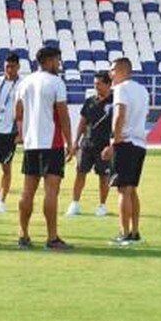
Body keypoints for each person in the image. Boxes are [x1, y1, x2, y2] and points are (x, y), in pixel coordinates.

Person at [14, 46, 73, 250]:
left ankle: (23, 234)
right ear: (49, 60)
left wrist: (22, 133)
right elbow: (63, 115)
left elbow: (18, 112)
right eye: (57, 60)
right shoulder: (56, 82)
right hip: (52, 142)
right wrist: (70, 141)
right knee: (51, 192)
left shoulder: (25, 82)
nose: (59, 64)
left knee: (27, 191)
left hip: (31, 143)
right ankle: (52, 237)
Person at [103, 59, 150, 245]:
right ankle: (135, 231)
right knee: (132, 190)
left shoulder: (121, 89)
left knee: (122, 190)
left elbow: (120, 114)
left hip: (125, 142)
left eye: (112, 70)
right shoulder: (143, 90)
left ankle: (124, 232)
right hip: (139, 143)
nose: (110, 74)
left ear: (121, 70)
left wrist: (114, 140)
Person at [67, 71, 113, 217]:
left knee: (103, 176)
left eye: (99, 84)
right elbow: (82, 122)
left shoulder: (115, 102)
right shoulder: (89, 101)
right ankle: (74, 204)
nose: (96, 87)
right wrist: (75, 142)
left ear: (108, 84)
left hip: (105, 146)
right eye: (95, 84)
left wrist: (112, 145)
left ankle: (102, 206)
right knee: (80, 173)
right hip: (87, 144)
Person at [0, 52, 21, 213]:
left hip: (10, 131)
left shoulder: (22, 84)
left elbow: (24, 109)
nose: (9, 69)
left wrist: (20, 132)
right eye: (7, 66)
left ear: (18, 67)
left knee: (5, 167)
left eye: (12, 66)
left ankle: (2, 200)